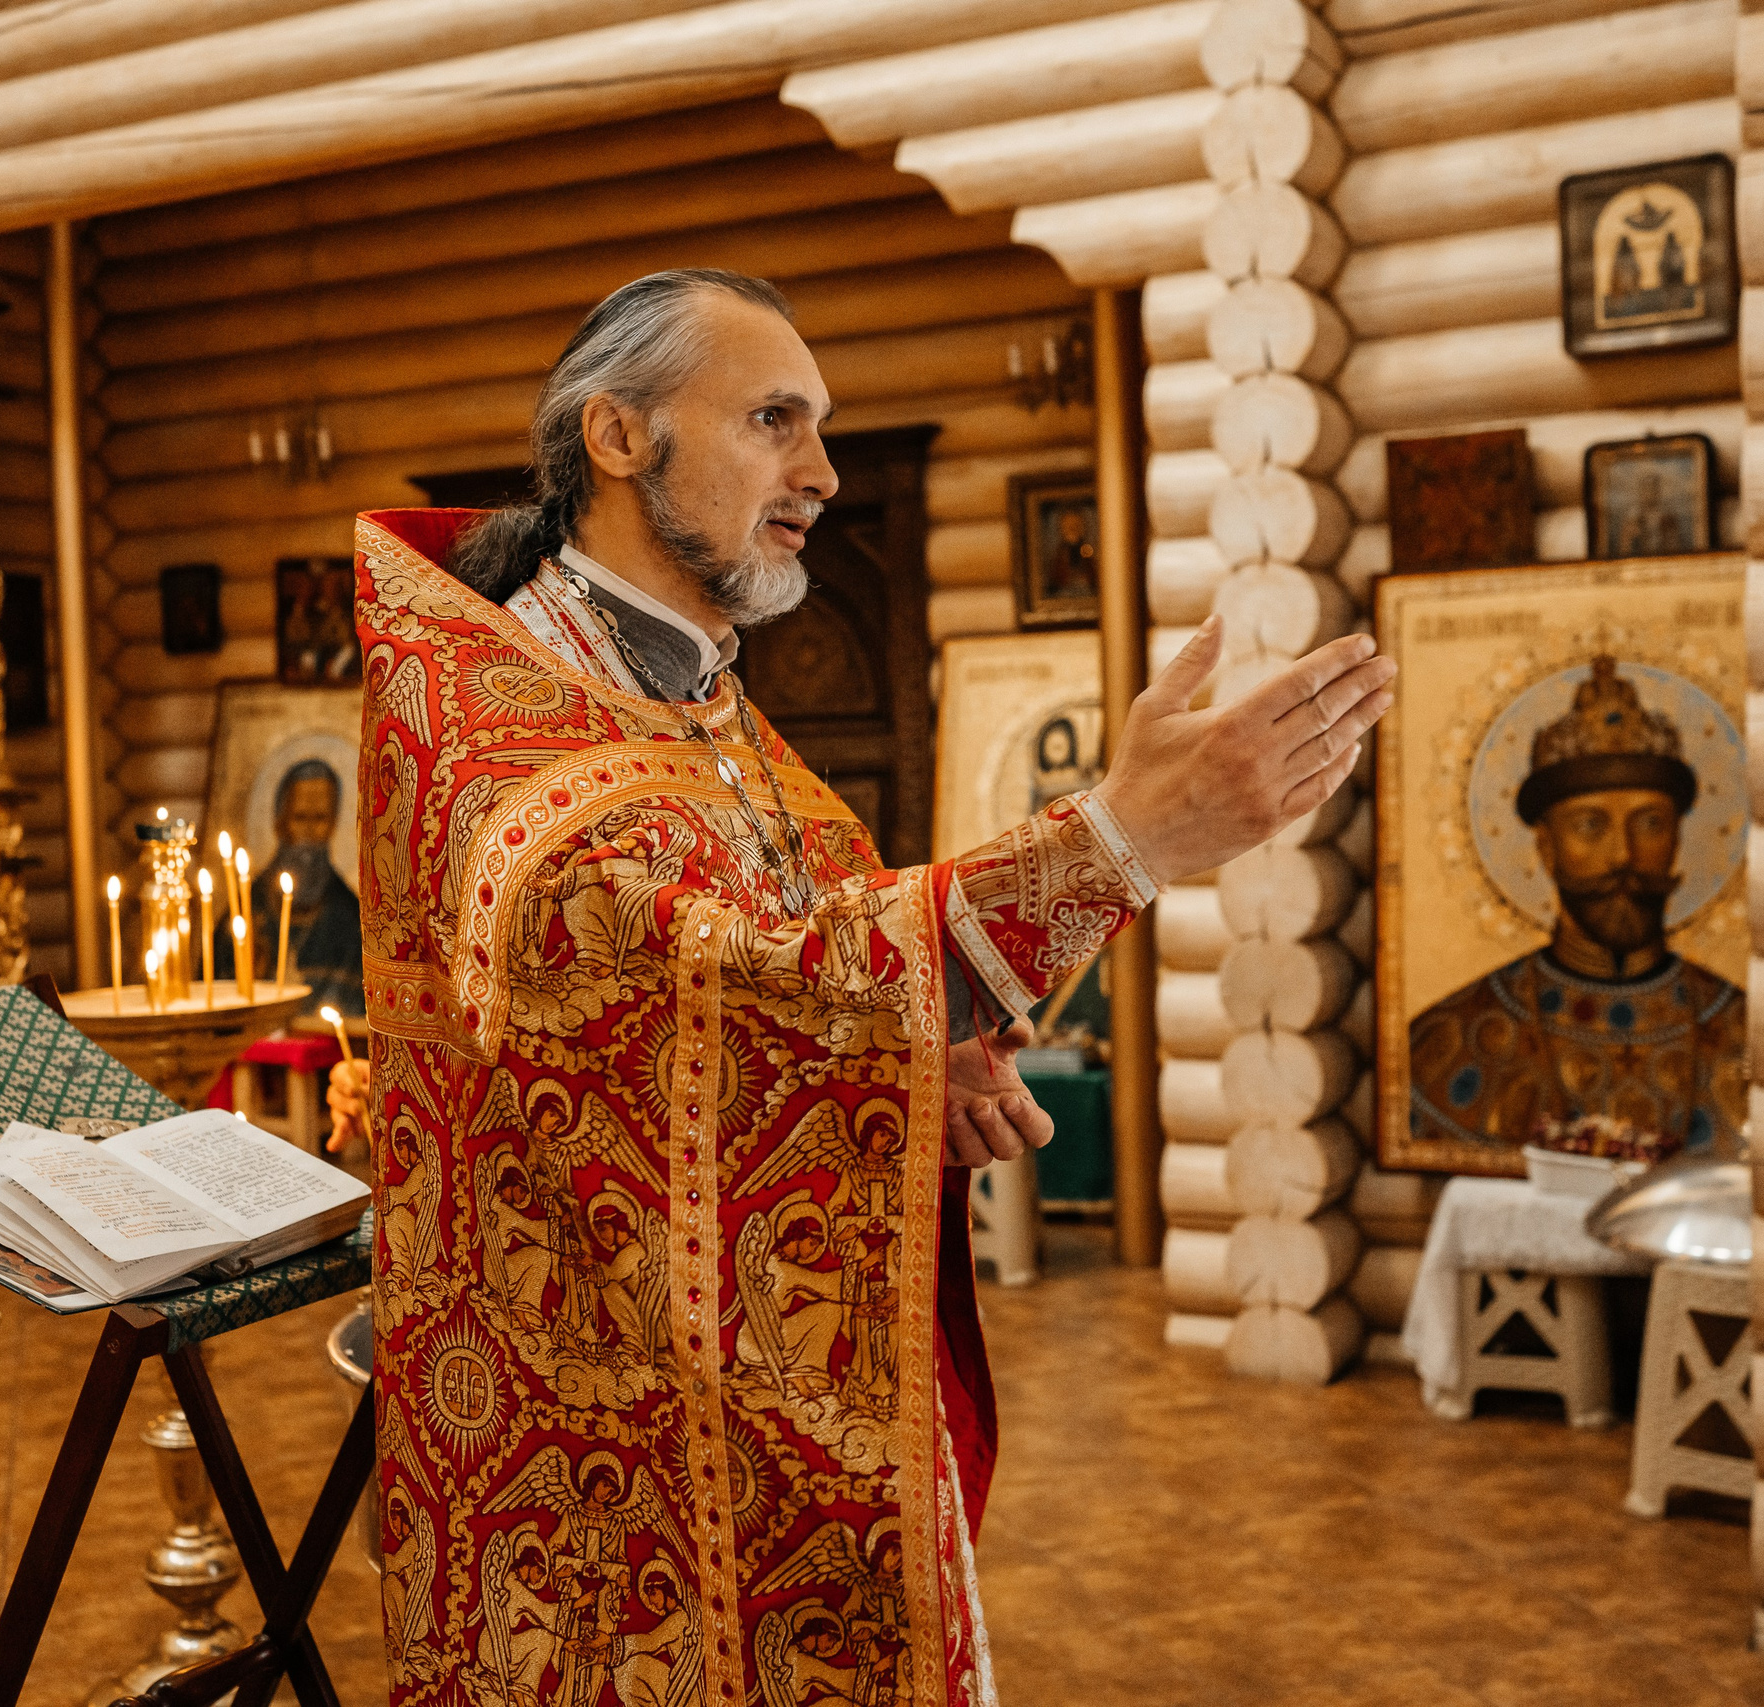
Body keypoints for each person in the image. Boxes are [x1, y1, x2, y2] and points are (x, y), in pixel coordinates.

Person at [330, 267, 1392, 1704]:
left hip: (741, 1394)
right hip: (603, 1467)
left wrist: (903, 1068)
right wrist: (1121, 840)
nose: (822, 472)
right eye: (774, 419)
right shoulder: (484, 709)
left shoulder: (691, 690)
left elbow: (761, 989)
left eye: (819, 426)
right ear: (619, 436)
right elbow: (667, 966)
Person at [1407, 656, 1745, 1162]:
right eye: (1590, 825)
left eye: (1650, 823)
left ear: (1678, 837)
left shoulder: (1745, 1027)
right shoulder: (1450, 1040)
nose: (1623, 855)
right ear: (1546, 847)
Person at [216, 759, 364, 1015]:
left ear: (333, 824)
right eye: (300, 817)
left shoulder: (351, 920)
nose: (309, 831)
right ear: (280, 822)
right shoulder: (246, 911)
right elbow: (217, 1002)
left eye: (320, 818)